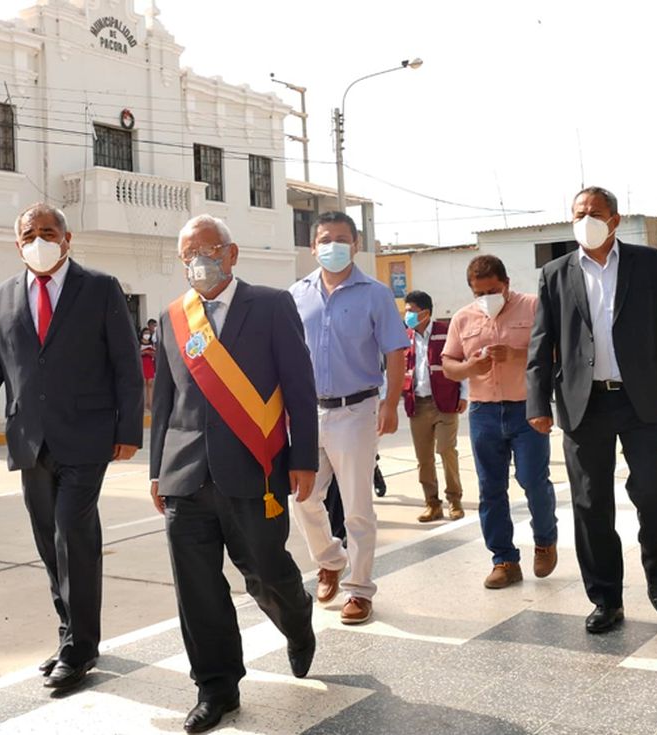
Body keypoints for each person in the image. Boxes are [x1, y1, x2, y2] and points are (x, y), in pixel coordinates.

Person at [0, 202, 143, 691]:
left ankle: (79, 650)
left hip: (87, 435)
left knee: (71, 536)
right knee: (48, 541)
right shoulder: (1, 296)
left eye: (47, 231)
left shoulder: (101, 288)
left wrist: (128, 430)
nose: (37, 240)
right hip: (29, 439)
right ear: (16, 243)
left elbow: (126, 363)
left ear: (67, 238)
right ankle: (71, 636)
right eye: (28, 233)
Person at [149, 215, 318, 734]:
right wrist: (157, 470)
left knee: (265, 571)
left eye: (208, 249)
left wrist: (304, 458)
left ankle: (296, 617)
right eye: (187, 254)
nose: (198, 261)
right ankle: (216, 686)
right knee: (197, 589)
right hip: (185, 476)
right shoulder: (174, 317)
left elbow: (298, 384)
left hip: (256, 468)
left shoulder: (270, 305)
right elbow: (165, 400)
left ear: (232, 253)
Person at [526, 186, 657, 634]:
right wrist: (537, 401)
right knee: (590, 503)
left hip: (643, 400)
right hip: (585, 404)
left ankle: (656, 566)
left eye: (594, 213)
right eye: (578, 213)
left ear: (615, 220)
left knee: (652, 493)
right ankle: (606, 598)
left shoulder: (650, 264)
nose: (585, 220)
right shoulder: (555, 273)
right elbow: (542, 344)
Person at [289, 211, 409, 626]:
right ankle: (330, 559)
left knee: (357, 506)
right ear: (312, 246)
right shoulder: (296, 294)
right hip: (305, 413)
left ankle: (359, 590)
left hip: (356, 410)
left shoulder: (375, 294)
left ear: (355, 245)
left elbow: (396, 350)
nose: (333, 246)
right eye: (325, 239)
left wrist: (391, 403)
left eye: (342, 239)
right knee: (303, 497)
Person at [442, 255, 558, 589]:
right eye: (480, 292)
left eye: (493, 289)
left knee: (533, 480)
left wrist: (517, 355)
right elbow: (449, 364)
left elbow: (556, 351)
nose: (487, 296)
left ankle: (545, 539)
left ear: (506, 283)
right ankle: (504, 560)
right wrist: (469, 369)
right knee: (491, 488)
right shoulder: (463, 319)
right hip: (484, 412)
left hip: (527, 407)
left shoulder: (533, 307)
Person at [402, 290, 467, 522]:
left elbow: (461, 361)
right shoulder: (405, 336)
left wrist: (464, 393)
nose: (406, 314)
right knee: (424, 458)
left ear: (425, 313)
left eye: (411, 311)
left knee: (446, 450)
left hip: (444, 402)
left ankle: (455, 500)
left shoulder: (445, 332)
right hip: (416, 405)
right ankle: (432, 503)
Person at [140, 326, 156, 413]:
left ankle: (150, 403)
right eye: (145, 333)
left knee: (150, 383)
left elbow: (155, 353)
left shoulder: (151, 343)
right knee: (143, 384)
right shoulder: (139, 343)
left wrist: (152, 353)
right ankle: (143, 403)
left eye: (148, 334)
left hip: (150, 363)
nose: (147, 335)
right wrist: (144, 352)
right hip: (142, 363)